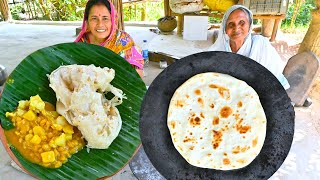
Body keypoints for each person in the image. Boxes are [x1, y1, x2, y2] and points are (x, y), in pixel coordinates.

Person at [208, 5, 290, 90]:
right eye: (231, 24)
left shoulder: (261, 45)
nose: (236, 28)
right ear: (225, 29)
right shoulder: (218, 50)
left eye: (242, 22)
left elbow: (273, 77)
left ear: (250, 25)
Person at [75, 0, 144, 77]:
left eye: (105, 18)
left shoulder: (123, 41)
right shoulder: (82, 43)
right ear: (87, 21)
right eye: (94, 18)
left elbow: (137, 77)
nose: (100, 24)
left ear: (113, 20)